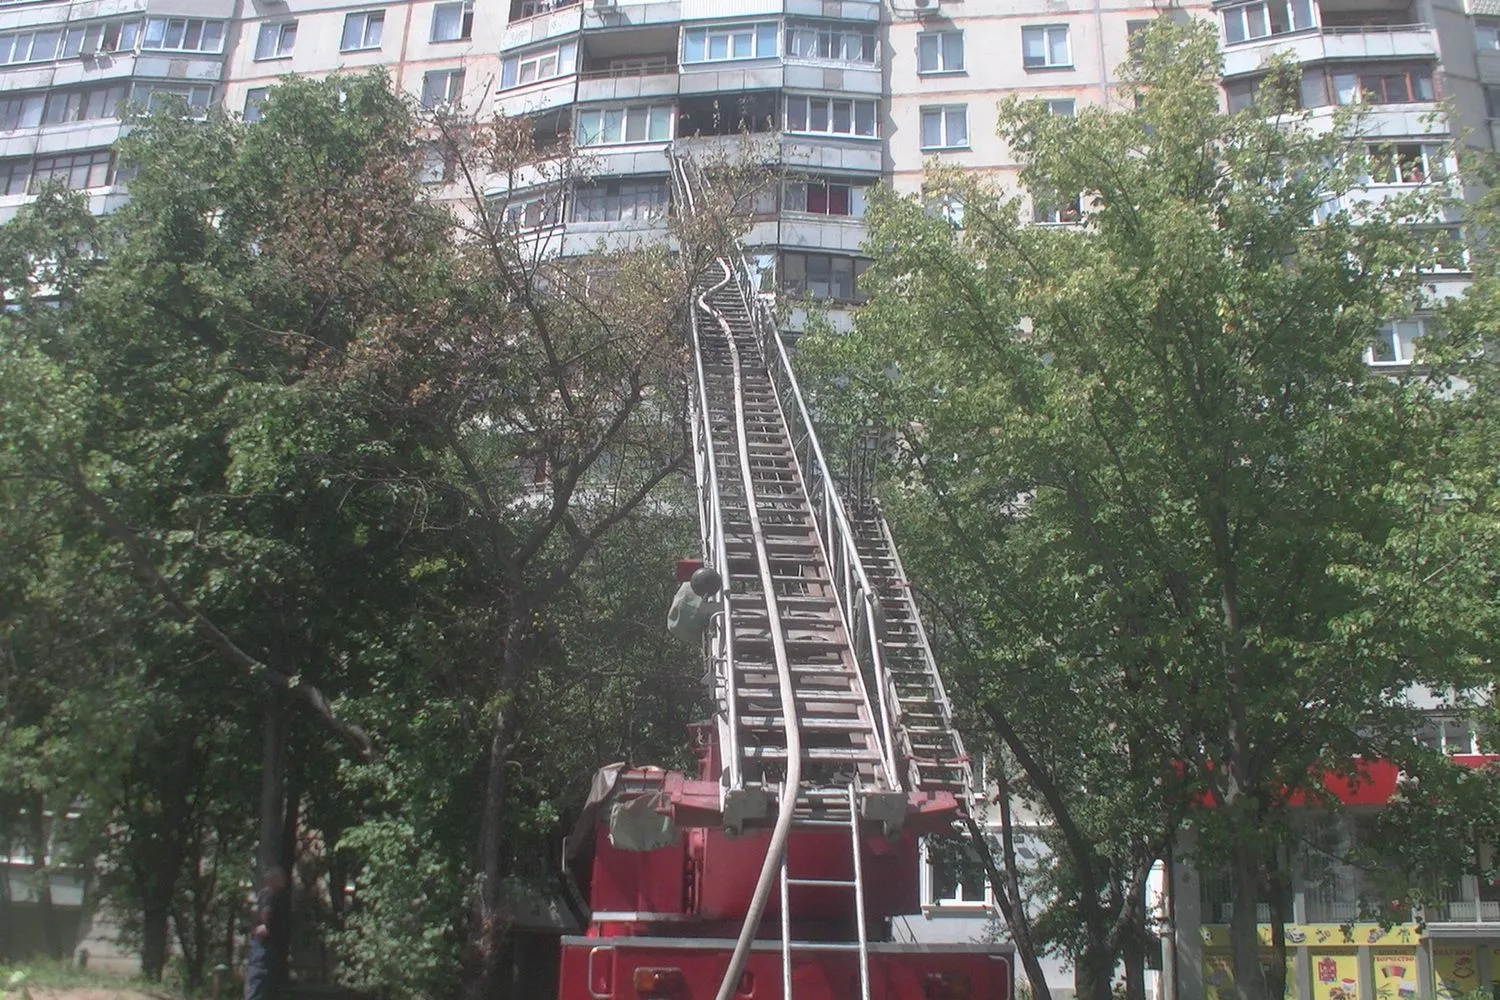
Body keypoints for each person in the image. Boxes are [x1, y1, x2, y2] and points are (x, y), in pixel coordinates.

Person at [244, 866, 288, 1000]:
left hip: (263, 946)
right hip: (264, 947)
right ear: (273, 879)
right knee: (259, 981)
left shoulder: (262, 895)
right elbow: (266, 912)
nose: (284, 881)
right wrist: (266, 925)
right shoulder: (270, 895)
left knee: (264, 984)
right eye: (281, 878)